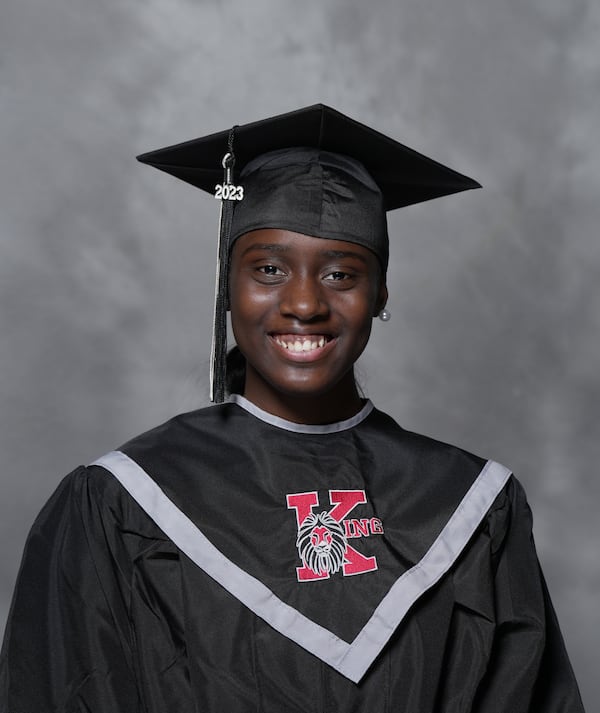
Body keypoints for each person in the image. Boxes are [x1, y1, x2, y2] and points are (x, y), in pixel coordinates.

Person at [0, 104, 585, 712]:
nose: (304, 303)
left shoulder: (473, 504)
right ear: (227, 285)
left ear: (381, 293)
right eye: (270, 269)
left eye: (341, 273)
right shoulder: (120, 502)